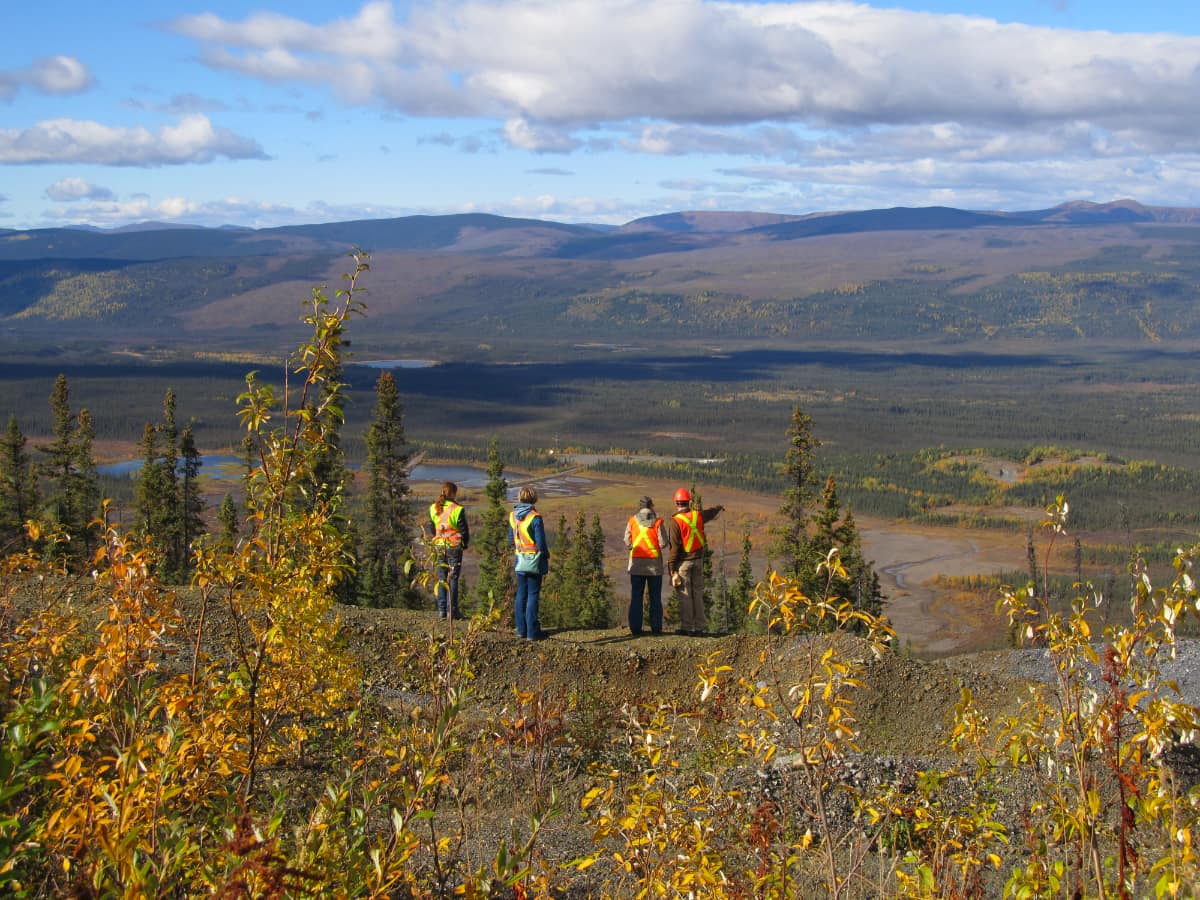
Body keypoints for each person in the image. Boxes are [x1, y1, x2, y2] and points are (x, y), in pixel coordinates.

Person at [666, 487, 724, 636]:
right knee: (697, 595)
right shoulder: (698, 515)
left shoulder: (675, 522)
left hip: (683, 564)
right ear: (689, 502)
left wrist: (671, 569)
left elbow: (674, 548)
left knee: (685, 595)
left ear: (676, 502)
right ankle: (699, 628)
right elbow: (710, 513)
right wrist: (718, 508)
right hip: (698, 561)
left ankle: (687, 627)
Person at [624, 495, 670, 636]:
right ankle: (656, 628)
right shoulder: (658, 522)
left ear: (640, 506)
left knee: (636, 596)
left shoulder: (632, 521)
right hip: (654, 566)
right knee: (655, 597)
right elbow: (663, 543)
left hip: (636, 566)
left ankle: (635, 629)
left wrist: (634, 546)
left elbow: (627, 540)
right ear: (651, 506)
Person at [509, 485, 550, 640]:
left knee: (521, 593)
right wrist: (546, 555)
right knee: (533, 595)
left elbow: (510, 540)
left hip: (520, 560)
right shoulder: (535, 517)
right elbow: (541, 542)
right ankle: (532, 633)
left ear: (520, 498)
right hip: (534, 561)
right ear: (534, 499)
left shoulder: (512, 516)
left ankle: (521, 630)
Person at [425, 481, 469, 619]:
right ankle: (452, 611)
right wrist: (464, 544)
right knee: (453, 579)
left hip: (439, 547)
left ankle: (442, 611)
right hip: (454, 547)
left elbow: (432, 528)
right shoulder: (457, 509)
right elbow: (464, 531)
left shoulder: (433, 508)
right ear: (454, 493)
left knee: (442, 578)